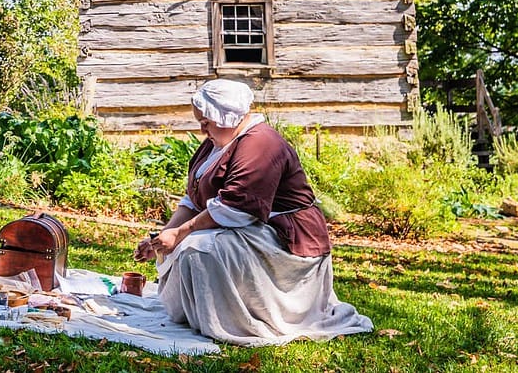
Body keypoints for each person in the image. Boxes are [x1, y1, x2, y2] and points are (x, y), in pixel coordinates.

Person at [134, 79, 372, 346]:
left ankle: (228, 320)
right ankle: (195, 314)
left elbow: (237, 209)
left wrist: (180, 233)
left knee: (198, 248)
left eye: (206, 121)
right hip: (253, 228)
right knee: (184, 244)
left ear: (225, 117)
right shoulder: (216, 143)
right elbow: (194, 198)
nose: (201, 128)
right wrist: (165, 235)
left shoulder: (261, 144)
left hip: (286, 239)